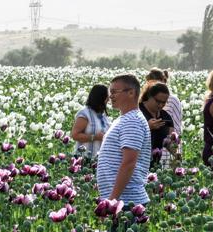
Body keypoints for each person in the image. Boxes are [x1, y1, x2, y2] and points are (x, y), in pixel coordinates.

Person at [95, 74, 151, 206]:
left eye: (114, 92)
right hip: (121, 200)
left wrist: (111, 201)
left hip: (125, 202)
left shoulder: (133, 121)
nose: (111, 97)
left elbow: (129, 162)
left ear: (131, 93)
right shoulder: (124, 119)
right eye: (110, 92)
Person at [138, 82, 175, 166]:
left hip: (155, 164)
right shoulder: (137, 112)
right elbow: (127, 134)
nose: (161, 105)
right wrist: (148, 127)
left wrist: (176, 154)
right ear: (149, 96)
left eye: (164, 102)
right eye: (158, 101)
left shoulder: (166, 117)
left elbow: (169, 142)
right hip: (137, 163)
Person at [70, 84, 111, 159]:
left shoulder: (103, 115)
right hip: (84, 159)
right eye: (107, 97)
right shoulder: (85, 113)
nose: (108, 99)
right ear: (100, 97)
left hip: (100, 159)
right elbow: (75, 135)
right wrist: (95, 137)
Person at [146, 68, 183, 135]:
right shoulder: (145, 100)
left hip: (166, 142)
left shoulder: (172, 100)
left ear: (163, 82)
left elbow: (177, 128)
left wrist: (173, 141)